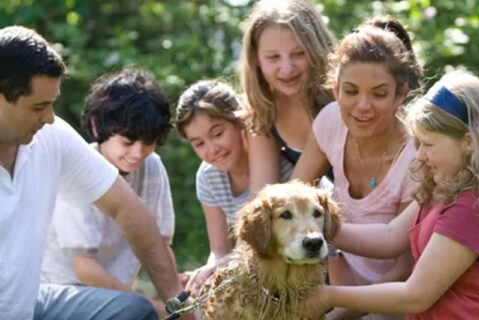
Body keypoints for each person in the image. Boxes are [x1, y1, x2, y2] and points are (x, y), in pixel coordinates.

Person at [0, 26, 194, 320]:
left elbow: (128, 209)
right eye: (39, 107)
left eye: (52, 105)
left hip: (33, 304)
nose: (50, 118)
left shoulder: (51, 136)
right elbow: (84, 267)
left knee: (134, 312)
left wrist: (179, 305)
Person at [312, 69, 479, 320]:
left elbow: (415, 296)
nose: (420, 155)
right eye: (418, 143)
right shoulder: (443, 187)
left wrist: (324, 295)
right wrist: (315, 228)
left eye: (429, 144)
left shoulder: (470, 207)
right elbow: (390, 236)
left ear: (468, 142)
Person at [291, 17, 423, 320]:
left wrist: (336, 315)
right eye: (351, 91)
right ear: (336, 89)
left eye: (378, 94)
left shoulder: (418, 157)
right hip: (343, 281)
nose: (363, 106)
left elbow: (405, 268)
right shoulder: (330, 120)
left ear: (400, 96)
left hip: (397, 299)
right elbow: (292, 196)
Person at [175, 80, 332, 294]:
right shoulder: (207, 177)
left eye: (218, 134)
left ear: (241, 123)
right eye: (199, 143)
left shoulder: (283, 166)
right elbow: (219, 250)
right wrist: (209, 272)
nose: (212, 150)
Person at [40, 67, 175, 315]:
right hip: (63, 293)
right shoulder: (79, 167)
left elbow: (160, 249)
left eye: (148, 143)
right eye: (128, 142)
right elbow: (85, 269)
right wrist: (155, 308)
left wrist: (179, 302)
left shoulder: (152, 166)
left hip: (116, 298)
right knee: (139, 311)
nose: (137, 153)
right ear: (96, 126)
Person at [240, 0, 335, 198]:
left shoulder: (341, 95)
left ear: (317, 49)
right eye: (273, 57)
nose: (287, 68)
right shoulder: (263, 113)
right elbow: (262, 195)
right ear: (256, 59)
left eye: (298, 53)